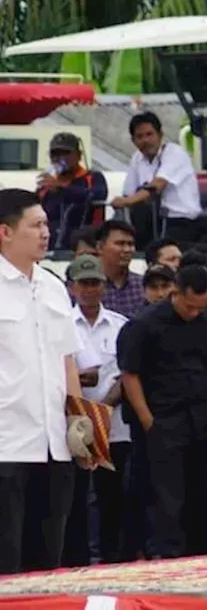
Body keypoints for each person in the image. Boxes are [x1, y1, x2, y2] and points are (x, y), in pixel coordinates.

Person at [119, 264, 207, 558]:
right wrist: (147, 419)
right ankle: (170, 555)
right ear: (176, 291)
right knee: (167, 495)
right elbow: (129, 375)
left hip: (204, 415)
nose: (194, 313)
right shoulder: (145, 324)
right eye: (189, 306)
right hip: (164, 417)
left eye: (201, 307)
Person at [0, 189, 91, 574]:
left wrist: (79, 424)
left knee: (47, 558)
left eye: (47, 225)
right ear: (5, 231)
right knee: (7, 557)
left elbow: (66, 359)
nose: (45, 233)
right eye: (36, 225)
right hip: (7, 442)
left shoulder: (53, 285)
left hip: (55, 444)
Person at [66, 255, 132, 564]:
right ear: (71, 287)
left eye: (96, 283)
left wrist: (101, 411)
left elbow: (126, 375)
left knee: (112, 497)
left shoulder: (120, 326)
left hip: (114, 425)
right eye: (84, 283)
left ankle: (113, 558)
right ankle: (78, 559)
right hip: (72, 427)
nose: (90, 290)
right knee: (77, 498)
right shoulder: (62, 325)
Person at [111, 112, 204, 245]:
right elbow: (129, 193)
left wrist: (126, 201)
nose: (145, 140)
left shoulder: (174, 153)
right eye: (140, 136)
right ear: (133, 141)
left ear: (160, 135)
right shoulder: (137, 158)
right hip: (152, 222)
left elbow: (157, 186)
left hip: (181, 223)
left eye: (149, 134)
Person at [37, 132, 107, 251]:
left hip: (83, 246)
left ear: (78, 155)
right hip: (50, 246)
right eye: (55, 154)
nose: (60, 158)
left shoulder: (92, 177)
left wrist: (62, 188)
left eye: (66, 153)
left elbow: (97, 195)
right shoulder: (47, 185)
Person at [97, 220, 147, 318]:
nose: (127, 250)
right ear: (100, 247)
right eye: (120, 244)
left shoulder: (143, 285)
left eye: (130, 244)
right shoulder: (87, 287)